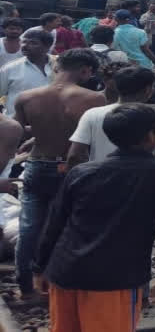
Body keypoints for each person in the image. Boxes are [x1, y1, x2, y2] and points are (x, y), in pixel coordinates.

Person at [33, 104, 155, 331]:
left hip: (65, 272)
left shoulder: (82, 172)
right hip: (116, 279)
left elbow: (55, 222)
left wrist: (39, 267)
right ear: (151, 135)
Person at [12, 49, 107, 299]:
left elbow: (19, 129)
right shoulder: (94, 99)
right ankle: (59, 283)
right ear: (86, 71)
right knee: (68, 226)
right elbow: (91, 138)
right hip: (71, 167)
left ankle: (25, 285)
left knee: (30, 227)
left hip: (36, 164)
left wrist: (36, 137)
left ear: (57, 67)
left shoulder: (26, 97)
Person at [68, 67, 155, 167]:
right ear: (148, 90)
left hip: (100, 182)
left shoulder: (92, 114)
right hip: (143, 183)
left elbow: (75, 156)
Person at [1, 28, 53, 118]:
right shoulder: (10, 68)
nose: (25, 46)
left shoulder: (60, 65)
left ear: (47, 46)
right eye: (24, 42)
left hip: (51, 122)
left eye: (33, 43)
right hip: (18, 124)